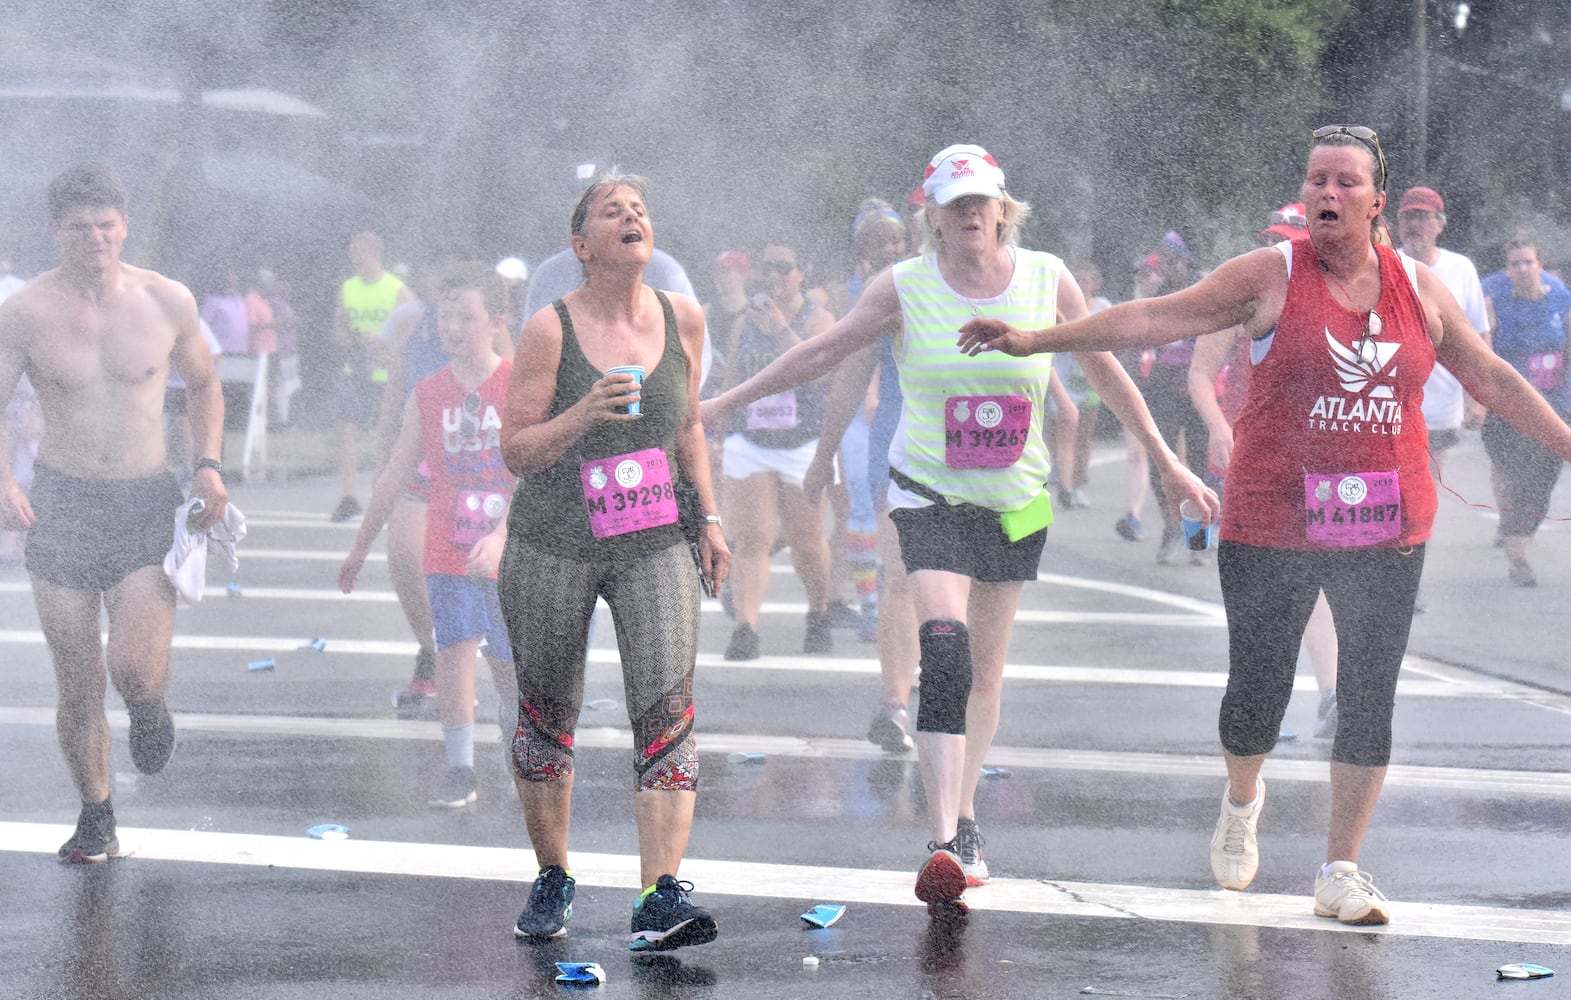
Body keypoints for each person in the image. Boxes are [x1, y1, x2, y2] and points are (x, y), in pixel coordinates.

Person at [958, 124, 1571, 926]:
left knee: (1366, 694)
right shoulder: (1266, 277)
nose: (1326, 193)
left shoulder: (1418, 289)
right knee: (1257, 692)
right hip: (1272, 517)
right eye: (1316, 179)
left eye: (1345, 182)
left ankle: (1340, 868)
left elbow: (1488, 374)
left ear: (1376, 202)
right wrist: (1039, 338)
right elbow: (1153, 320)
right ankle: (1242, 798)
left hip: (1385, 520)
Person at [705, 144, 1212, 917]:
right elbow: (824, 353)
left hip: (1013, 501)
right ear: (932, 217)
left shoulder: (1047, 279)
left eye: (982, 201)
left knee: (983, 669)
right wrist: (721, 404)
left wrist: (1168, 465)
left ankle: (966, 818)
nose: (970, 213)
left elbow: (1104, 367)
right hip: (926, 490)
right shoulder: (903, 286)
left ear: (1003, 208)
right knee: (941, 646)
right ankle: (942, 839)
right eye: (954, 203)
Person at [500, 173, 728, 952]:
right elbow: (516, 449)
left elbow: (689, 426)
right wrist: (583, 411)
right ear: (581, 245)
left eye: (639, 209)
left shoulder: (683, 318)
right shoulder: (548, 330)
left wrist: (712, 517)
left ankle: (659, 895)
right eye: (611, 211)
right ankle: (552, 873)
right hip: (551, 543)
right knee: (546, 712)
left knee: (667, 711)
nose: (631, 217)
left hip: (654, 536)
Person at [0, 162, 229, 862]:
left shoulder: (165, 301)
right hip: (63, 501)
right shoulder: (26, 312)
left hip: (143, 499)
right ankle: (96, 811)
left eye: (105, 225)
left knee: (132, 667)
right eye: (78, 227)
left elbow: (206, 384)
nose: (94, 238)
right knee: (77, 674)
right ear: (55, 231)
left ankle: (150, 705)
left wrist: (208, 466)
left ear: (124, 226)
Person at [339, 264, 519, 808]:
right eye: (446, 317)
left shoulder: (516, 385)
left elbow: (533, 471)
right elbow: (396, 471)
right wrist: (360, 546)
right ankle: (460, 767)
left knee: (510, 665)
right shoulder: (429, 393)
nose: (455, 328)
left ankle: (522, 750)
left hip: (508, 549)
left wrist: (503, 532)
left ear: (495, 322)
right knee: (453, 650)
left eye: (467, 317)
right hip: (448, 544)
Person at [1188, 202, 1338, 741]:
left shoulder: (1342, 296)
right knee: (1261, 582)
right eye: (1276, 239)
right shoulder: (1250, 290)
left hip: (1320, 453)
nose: (1284, 250)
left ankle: (1332, 695)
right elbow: (1202, 374)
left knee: (1317, 577)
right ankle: (1257, 700)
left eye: (1292, 239)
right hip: (1250, 450)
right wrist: (1217, 426)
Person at [717, 242, 837, 659]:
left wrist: (784, 330)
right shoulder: (744, 321)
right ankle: (746, 629)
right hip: (751, 440)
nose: (776, 277)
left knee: (806, 541)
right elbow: (732, 380)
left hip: (802, 442)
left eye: (785, 268)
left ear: (803, 273)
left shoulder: (817, 318)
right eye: (768, 268)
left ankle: (819, 612)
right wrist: (719, 432)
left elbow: (823, 374)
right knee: (752, 538)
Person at [1478, 236, 1571, 587]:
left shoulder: (1562, 299)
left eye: (1528, 262)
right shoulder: (1493, 300)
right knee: (1514, 473)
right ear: (1507, 269)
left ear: (1540, 265)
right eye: (1515, 263)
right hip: (1507, 406)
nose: (1522, 269)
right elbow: (1483, 351)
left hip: (1553, 405)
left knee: (1542, 480)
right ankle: (1518, 554)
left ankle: (1518, 535)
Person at [330, 231, 415, 522]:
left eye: (359, 250)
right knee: (346, 428)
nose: (354, 256)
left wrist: (383, 340)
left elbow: (415, 325)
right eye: (352, 251)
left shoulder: (396, 288)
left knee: (387, 433)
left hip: (386, 372)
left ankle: (388, 491)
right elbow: (338, 330)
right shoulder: (347, 288)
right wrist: (354, 338)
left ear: (373, 253)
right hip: (355, 367)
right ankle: (349, 494)